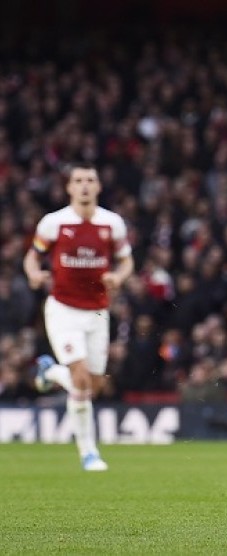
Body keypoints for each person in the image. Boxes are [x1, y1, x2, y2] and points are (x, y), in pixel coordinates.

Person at [24, 163, 134, 471]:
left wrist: (118, 277)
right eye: (78, 181)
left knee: (93, 386)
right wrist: (34, 273)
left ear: (98, 187)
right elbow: (33, 255)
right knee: (81, 378)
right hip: (63, 308)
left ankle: (50, 374)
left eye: (90, 180)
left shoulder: (112, 224)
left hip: (98, 311)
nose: (84, 185)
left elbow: (127, 262)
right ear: (69, 187)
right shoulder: (54, 223)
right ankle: (89, 453)